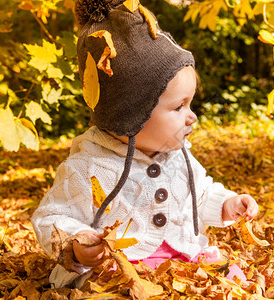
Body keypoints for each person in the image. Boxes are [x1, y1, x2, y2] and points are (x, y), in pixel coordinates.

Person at [31, 0, 259, 289]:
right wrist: (77, 243)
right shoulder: (88, 166)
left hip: (182, 257)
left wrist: (227, 204)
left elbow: (200, 194)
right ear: (132, 115)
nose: (192, 116)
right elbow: (52, 216)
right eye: (179, 107)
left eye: (190, 104)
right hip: (119, 267)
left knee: (228, 278)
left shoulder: (179, 156)